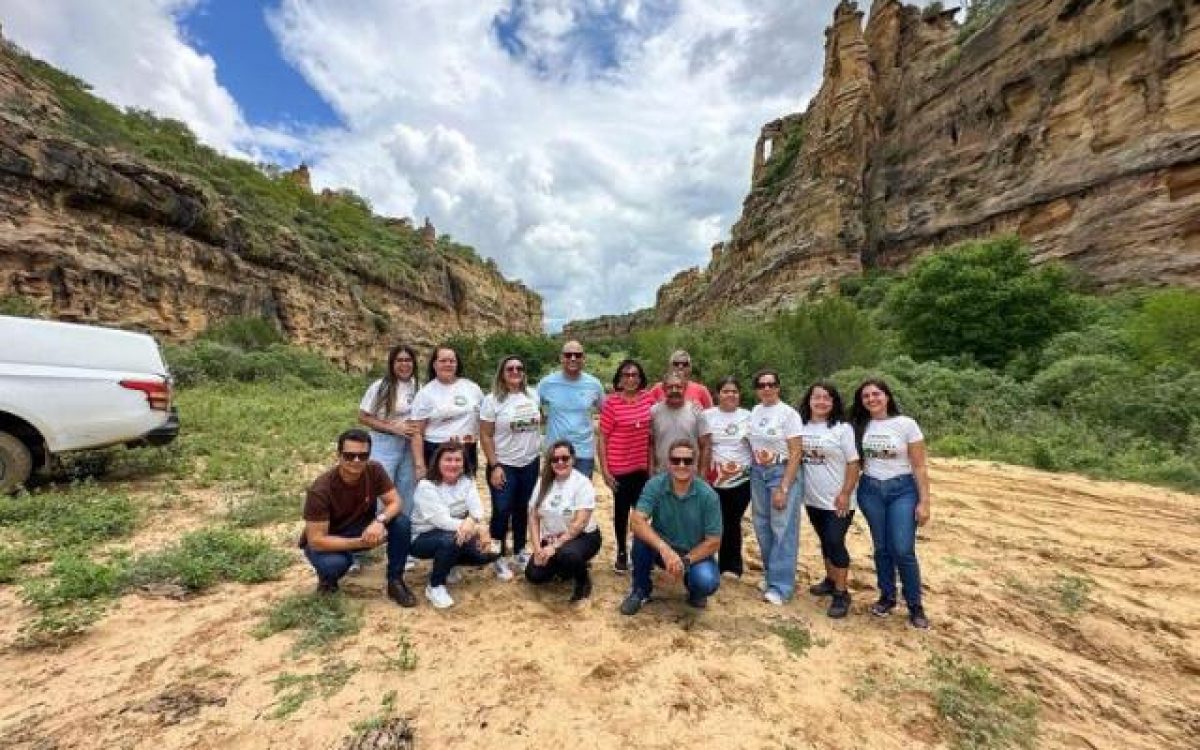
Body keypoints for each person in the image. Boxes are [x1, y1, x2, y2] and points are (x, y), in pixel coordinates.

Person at [299, 428, 416, 607]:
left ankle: (395, 581)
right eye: (349, 455)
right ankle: (327, 582)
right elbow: (316, 540)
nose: (356, 461)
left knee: (401, 522)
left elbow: (395, 501)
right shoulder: (320, 490)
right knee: (334, 565)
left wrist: (379, 520)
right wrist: (361, 543)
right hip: (330, 537)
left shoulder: (374, 469)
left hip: (361, 525)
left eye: (363, 456)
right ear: (338, 455)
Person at [850, 378, 932, 629]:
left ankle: (915, 605)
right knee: (882, 547)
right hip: (871, 489)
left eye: (876, 394)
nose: (871, 399)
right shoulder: (858, 426)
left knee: (903, 548)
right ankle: (887, 597)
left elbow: (919, 465)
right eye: (866, 396)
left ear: (887, 396)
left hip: (902, 490)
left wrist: (925, 501)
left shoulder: (906, 424)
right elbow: (853, 462)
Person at [619, 439, 722, 615]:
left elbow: (714, 541)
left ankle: (695, 589)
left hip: (694, 553)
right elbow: (635, 521)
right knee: (640, 537)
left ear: (695, 464)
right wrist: (664, 549)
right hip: (662, 549)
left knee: (706, 582)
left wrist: (685, 561)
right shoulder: (655, 485)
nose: (681, 465)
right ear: (668, 462)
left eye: (687, 461)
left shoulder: (708, 495)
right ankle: (640, 590)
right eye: (676, 460)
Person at [409, 442, 500, 609]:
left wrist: (473, 523)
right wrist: (477, 528)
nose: (453, 464)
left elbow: (477, 510)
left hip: (456, 531)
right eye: (448, 459)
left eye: (458, 460)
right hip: (421, 538)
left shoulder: (466, 481)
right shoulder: (426, 486)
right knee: (450, 540)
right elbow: (442, 521)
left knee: (488, 552)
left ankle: (448, 564)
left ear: (464, 462)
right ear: (438, 462)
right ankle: (435, 586)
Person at [799, 382, 860, 619]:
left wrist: (845, 492)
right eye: (817, 397)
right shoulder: (801, 426)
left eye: (827, 398)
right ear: (809, 400)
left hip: (839, 499)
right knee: (824, 540)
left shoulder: (842, 429)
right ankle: (829, 578)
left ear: (834, 402)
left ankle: (841, 593)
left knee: (835, 541)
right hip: (813, 498)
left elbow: (854, 463)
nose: (821, 401)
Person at [480, 355, 542, 581]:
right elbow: (485, 435)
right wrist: (494, 465)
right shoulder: (493, 400)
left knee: (523, 509)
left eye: (519, 367)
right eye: (510, 368)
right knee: (501, 510)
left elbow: (538, 423)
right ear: (502, 372)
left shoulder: (532, 394)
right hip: (504, 464)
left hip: (530, 463)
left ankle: (518, 551)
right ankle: (497, 556)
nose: (515, 371)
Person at [747, 369, 804, 606]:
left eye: (771, 384)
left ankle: (781, 586)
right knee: (762, 524)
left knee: (783, 527)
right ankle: (771, 575)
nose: (766, 388)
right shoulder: (756, 411)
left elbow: (796, 452)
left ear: (778, 387)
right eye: (761, 385)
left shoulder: (788, 414)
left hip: (781, 472)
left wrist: (784, 486)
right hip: (759, 472)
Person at [596, 358, 655, 574]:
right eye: (626, 375)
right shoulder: (611, 403)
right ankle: (621, 551)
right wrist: (604, 470)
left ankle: (641, 551)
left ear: (641, 379)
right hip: (619, 468)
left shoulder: (648, 399)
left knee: (642, 513)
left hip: (642, 468)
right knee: (621, 512)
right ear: (619, 379)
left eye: (635, 375)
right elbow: (602, 437)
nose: (631, 379)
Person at [525, 441, 602, 603]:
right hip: (551, 538)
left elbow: (580, 524)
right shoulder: (543, 482)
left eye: (565, 458)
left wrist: (554, 547)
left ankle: (583, 581)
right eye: (555, 459)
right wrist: (538, 549)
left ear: (573, 459)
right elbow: (533, 517)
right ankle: (567, 568)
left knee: (568, 555)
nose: (560, 462)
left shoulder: (582, 483)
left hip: (583, 537)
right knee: (534, 575)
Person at [357, 344, 420, 512]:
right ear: (392, 363)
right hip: (384, 443)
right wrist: (392, 428)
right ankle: (378, 528)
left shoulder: (418, 386)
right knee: (382, 487)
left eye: (408, 360)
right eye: (399, 360)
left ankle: (403, 531)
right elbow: (363, 416)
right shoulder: (381, 386)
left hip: (409, 445)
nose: (404, 364)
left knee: (407, 487)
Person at [701, 376, 752, 579]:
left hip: (742, 479)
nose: (730, 395)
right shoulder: (707, 416)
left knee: (732, 521)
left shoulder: (749, 416)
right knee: (712, 522)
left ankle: (731, 566)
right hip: (713, 478)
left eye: (734, 391)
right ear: (717, 394)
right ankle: (706, 560)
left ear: (739, 395)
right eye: (725, 391)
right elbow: (702, 445)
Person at [411, 345, 484, 479]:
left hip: (467, 449)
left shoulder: (472, 388)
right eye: (443, 361)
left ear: (457, 364)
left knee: (465, 492)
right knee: (438, 494)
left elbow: (484, 420)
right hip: (436, 451)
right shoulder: (425, 393)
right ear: (434, 364)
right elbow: (416, 432)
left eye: (452, 361)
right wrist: (419, 465)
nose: (448, 364)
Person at [537, 340, 605, 478]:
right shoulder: (547, 383)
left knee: (581, 497)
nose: (573, 358)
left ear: (584, 358)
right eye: (568, 355)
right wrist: (542, 418)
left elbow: (606, 412)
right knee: (553, 496)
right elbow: (532, 405)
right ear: (561, 358)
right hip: (555, 452)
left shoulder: (594, 384)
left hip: (583, 453)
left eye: (577, 355)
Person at [650, 372, 711, 474]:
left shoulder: (696, 411)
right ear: (664, 389)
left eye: (678, 387)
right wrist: (651, 473)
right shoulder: (654, 412)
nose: (674, 390)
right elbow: (650, 446)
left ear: (685, 388)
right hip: (662, 475)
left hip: (690, 475)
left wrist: (702, 475)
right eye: (670, 387)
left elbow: (706, 445)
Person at [647, 349, 713, 408]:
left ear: (690, 368)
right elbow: (644, 408)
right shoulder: (658, 388)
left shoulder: (701, 390)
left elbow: (711, 415)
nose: (680, 367)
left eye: (685, 364)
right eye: (676, 364)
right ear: (670, 366)